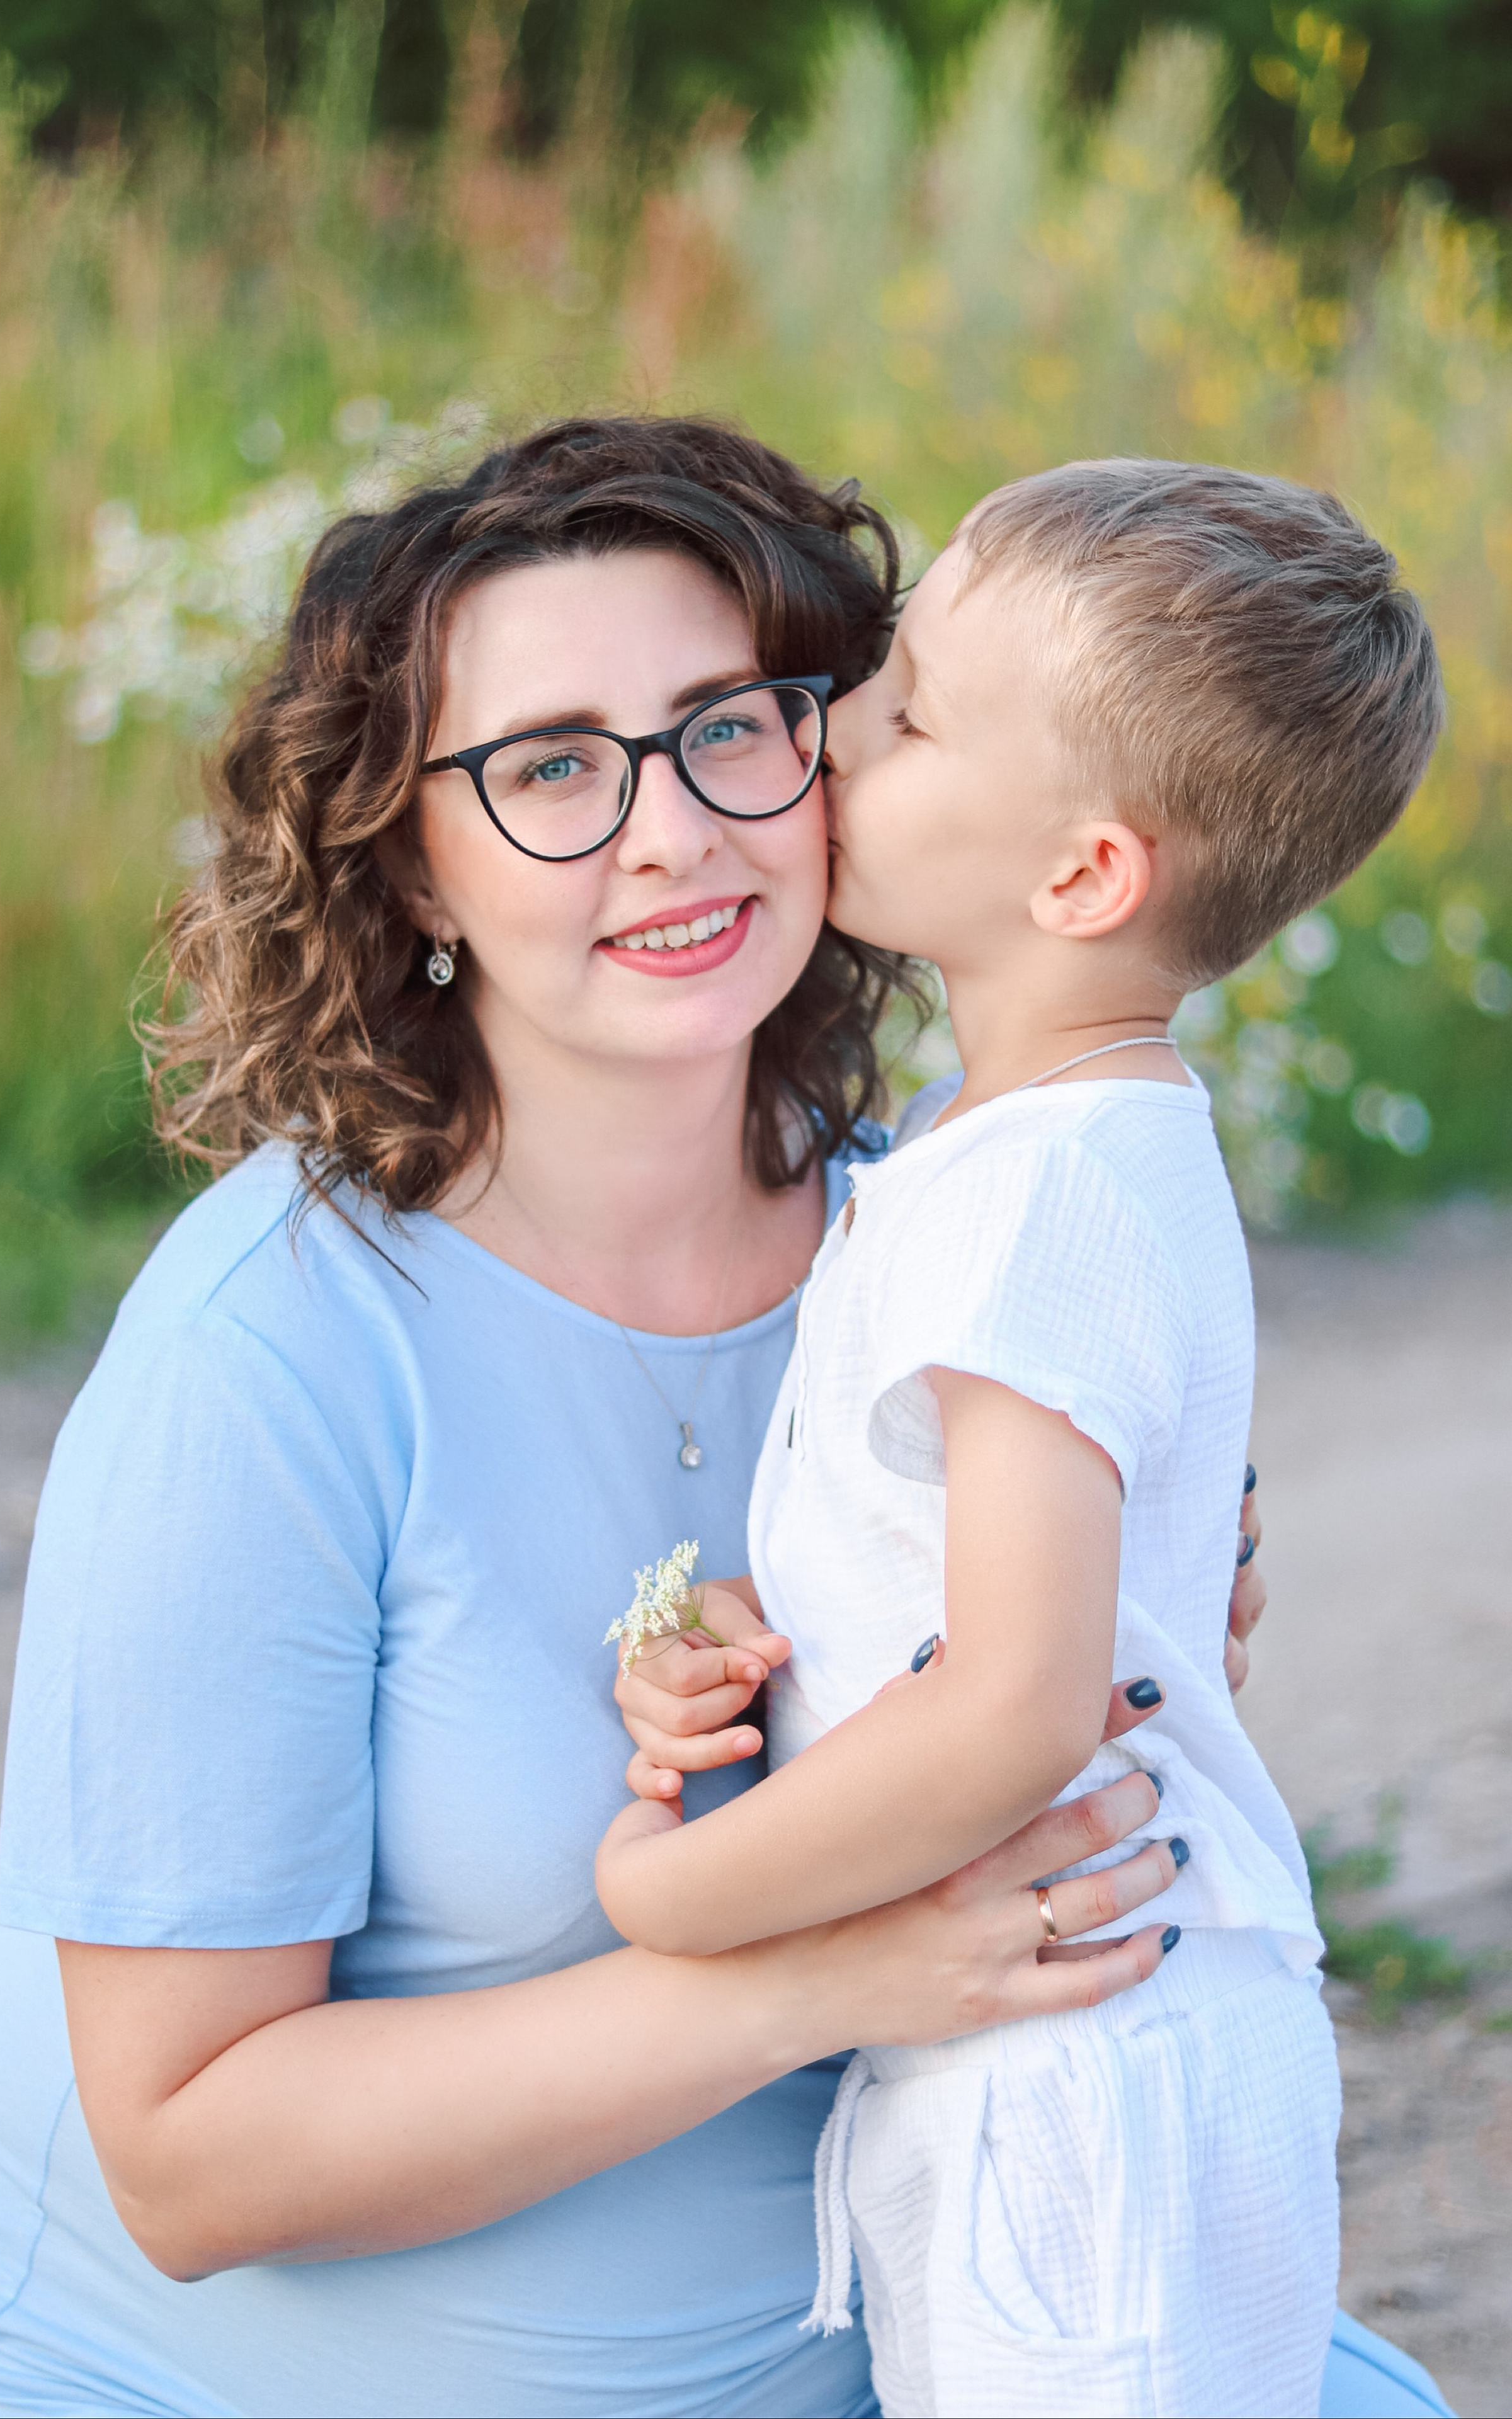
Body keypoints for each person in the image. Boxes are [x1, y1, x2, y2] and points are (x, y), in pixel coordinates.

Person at [0, 419, 1442, 2419]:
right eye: (549, 765)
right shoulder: (270, 1348)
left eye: (730, 726)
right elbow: (192, 2160)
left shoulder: (956, 1240)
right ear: (410, 856)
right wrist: (818, 1973)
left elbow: (1061, 1745)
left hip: (922, 2311)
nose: (672, 831)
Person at [594, 462, 1445, 2418]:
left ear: (1082, 876)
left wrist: (670, 1906)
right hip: (1069, 2046)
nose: (838, 725)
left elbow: (1020, 1698)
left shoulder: (1034, 1201)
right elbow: (971, 1597)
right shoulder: (1043, 1156)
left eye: (909, 716)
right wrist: (769, 1625)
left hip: (1078, 2073)